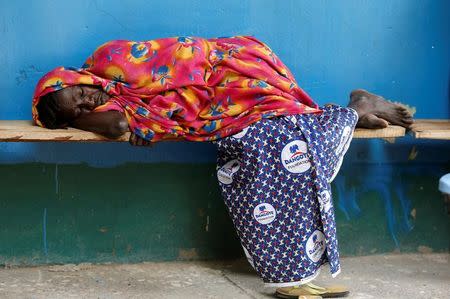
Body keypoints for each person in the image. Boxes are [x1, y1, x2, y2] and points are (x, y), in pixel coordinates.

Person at [32, 36, 413, 298]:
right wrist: (76, 117)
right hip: (218, 109)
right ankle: (289, 272)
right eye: (79, 111)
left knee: (286, 142)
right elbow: (117, 125)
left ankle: (356, 109)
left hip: (234, 69)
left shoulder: (107, 61)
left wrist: (84, 113)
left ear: (75, 76)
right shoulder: (113, 107)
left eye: (80, 92)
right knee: (253, 150)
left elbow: (182, 59)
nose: (88, 102)